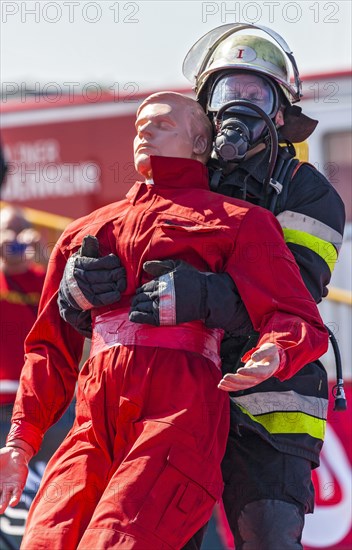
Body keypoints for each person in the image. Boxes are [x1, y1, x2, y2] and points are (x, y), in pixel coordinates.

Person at [56, 25, 346, 550]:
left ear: (280, 111)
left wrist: (204, 297)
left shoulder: (310, 194)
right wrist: (78, 293)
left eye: (254, 93)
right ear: (205, 107)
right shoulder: (177, 179)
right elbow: (122, 264)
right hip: (178, 394)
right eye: (224, 91)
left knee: (269, 537)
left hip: (272, 401)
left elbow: (295, 297)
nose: (238, 104)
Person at [0, 206, 45, 413]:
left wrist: (43, 255)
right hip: (3, 401)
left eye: (21, 231)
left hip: (41, 399)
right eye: (8, 231)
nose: (15, 238)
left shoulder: (44, 278)